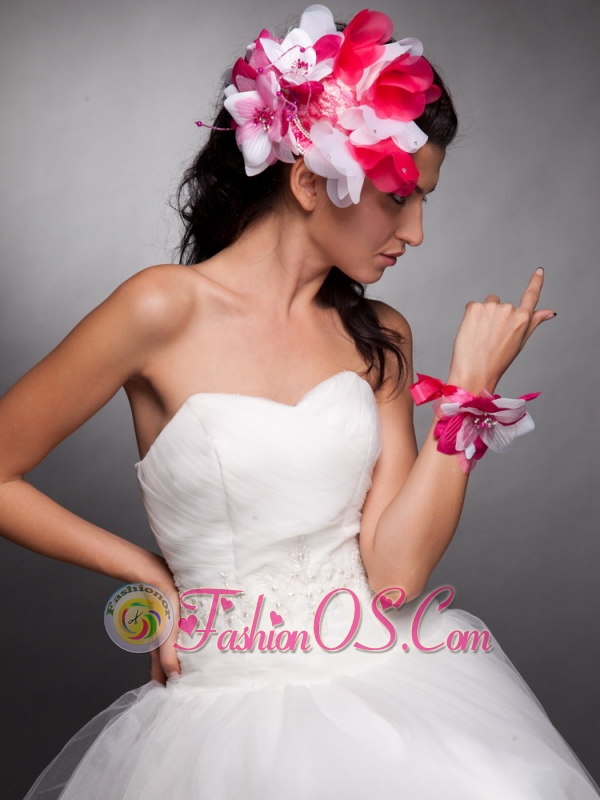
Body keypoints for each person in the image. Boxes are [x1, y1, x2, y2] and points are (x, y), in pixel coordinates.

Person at [2, 4, 598, 798]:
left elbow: (395, 577)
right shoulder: (159, 309)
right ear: (310, 180)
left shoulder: (378, 334)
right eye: (399, 198)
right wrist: (146, 572)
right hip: (219, 720)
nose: (417, 232)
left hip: (387, 686)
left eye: (425, 201)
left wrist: (468, 395)